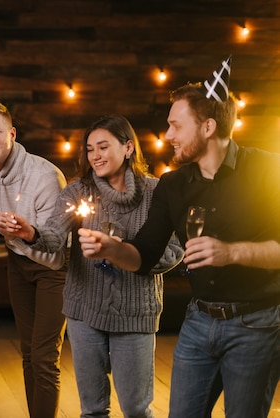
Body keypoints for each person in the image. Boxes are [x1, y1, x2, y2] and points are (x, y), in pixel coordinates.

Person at [78, 56, 280, 417]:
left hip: (257, 324)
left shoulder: (267, 169)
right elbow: (143, 256)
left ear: (207, 127)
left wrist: (231, 252)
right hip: (198, 323)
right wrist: (112, 248)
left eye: (175, 125)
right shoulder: (173, 185)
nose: (168, 135)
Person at [3, 114, 183, 417]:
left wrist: (125, 253)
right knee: (93, 409)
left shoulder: (156, 193)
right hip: (83, 312)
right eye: (90, 149)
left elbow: (175, 249)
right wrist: (30, 233)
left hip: (135, 314)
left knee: (137, 409)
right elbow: (52, 238)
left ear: (128, 148)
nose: (95, 156)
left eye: (103, 147)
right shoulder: (78, 192)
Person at [0, 100, 68, 418]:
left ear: (12, 133)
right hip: (18, 263)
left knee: (45, 357)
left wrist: (27, 231)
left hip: (54, 269)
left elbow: (56, 243)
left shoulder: (46, 177)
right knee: (28, 352)